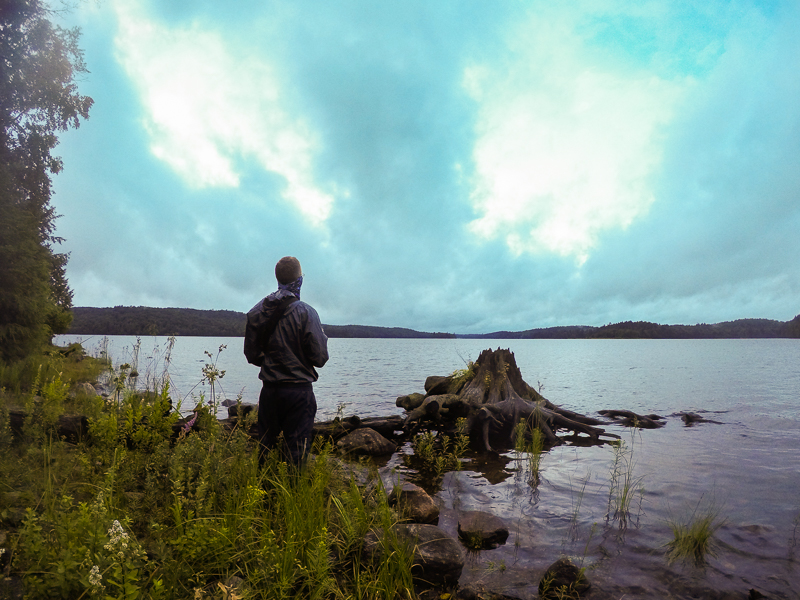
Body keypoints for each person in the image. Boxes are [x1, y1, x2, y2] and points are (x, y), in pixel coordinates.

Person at [244, 256, 328, 466]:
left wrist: (272, 362)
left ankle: (263, 493)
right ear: (299, 279)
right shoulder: (307, 312)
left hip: (270, 391)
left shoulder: (257, 311)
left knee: (265, 449)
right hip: (299, 393)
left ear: (277, 278)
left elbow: (251, 355)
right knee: (297, 453)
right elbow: (320, 358)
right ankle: (294, 494)